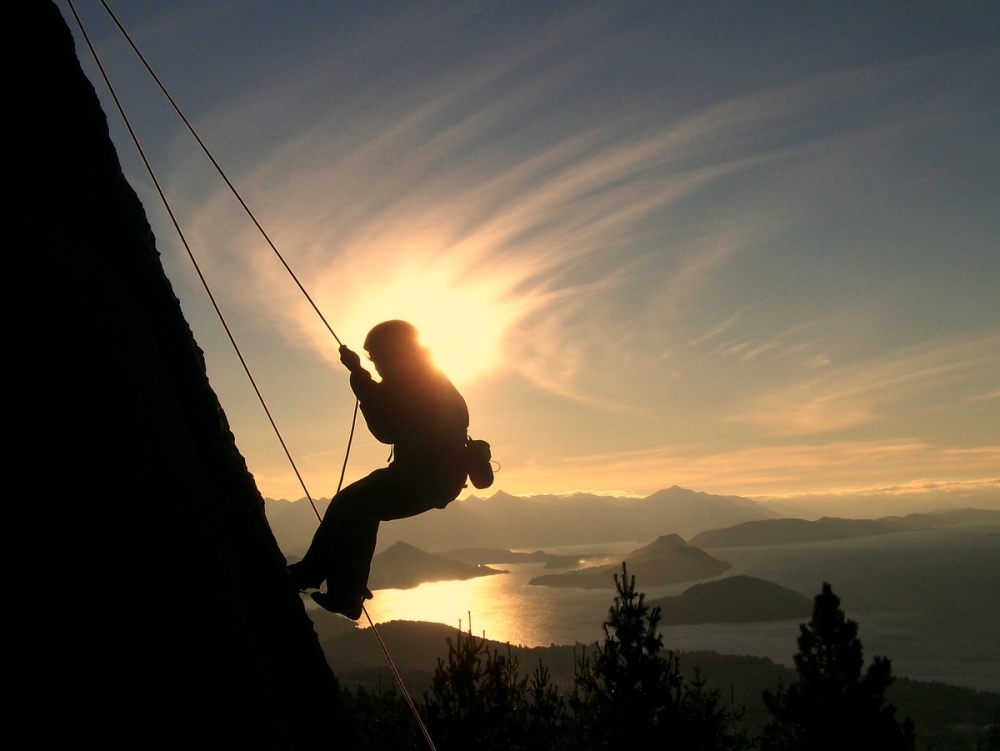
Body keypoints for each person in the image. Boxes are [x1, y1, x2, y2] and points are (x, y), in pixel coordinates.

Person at [288, 320, 471, 618]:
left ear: (394, 352)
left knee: (361, 506)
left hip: (427, 477)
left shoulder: (420, 380)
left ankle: (343, 592)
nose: (378, 365)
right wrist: (359, 373)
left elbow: (387, 426)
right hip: (426, 474)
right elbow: (391, 403)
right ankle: (312, 574)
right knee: (347, 500)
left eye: (379, 358)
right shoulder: (425, 376)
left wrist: (358, 374)